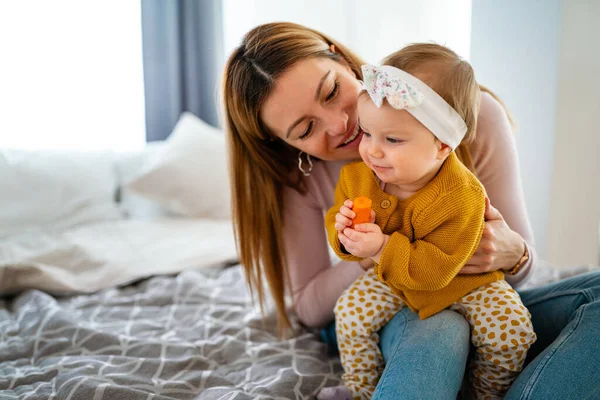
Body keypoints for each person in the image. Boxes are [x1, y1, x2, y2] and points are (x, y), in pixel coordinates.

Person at [222, 21, 600, 399]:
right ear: (284, 143)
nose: (342, 124)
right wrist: (368, 248)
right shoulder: (302, 178)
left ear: (341, 59)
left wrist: (513, 254)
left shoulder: (471, 118)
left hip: (468, 291)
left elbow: (520, 277)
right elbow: (309, 308)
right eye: (306, 130)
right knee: (442, 329)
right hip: (396, 308)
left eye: (333, 91)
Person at [319, 46, 535, 400]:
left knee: (512, 331)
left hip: (462, 282)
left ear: (442, 146)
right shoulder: (357, 178)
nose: (372, 151)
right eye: (367, 133)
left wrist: (383, 247)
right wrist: (344, 235)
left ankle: (486, 392)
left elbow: (437, 269)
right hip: (393, 280)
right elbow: (338, 229)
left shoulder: (463, 196)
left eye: (392, 140)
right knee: (350, 313)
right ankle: (360, 390)